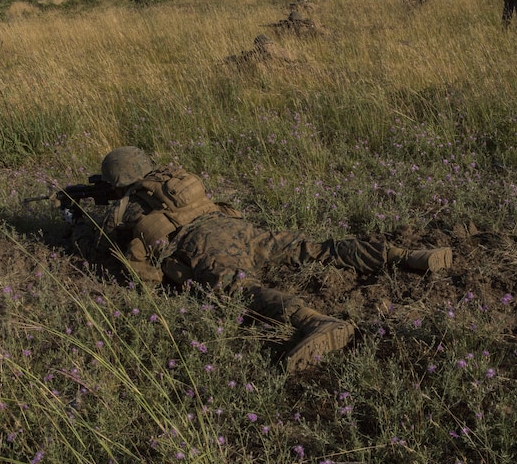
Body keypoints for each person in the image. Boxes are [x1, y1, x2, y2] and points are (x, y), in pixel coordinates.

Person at [72, 147, 453, 373]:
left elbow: (92, 249)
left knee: (240, 290)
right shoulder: (171, 179)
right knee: (312, 247)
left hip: (202, 244)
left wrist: (82, 214)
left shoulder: (123, 208)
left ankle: (318, 323)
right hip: (234, 226)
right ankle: (408, 256)